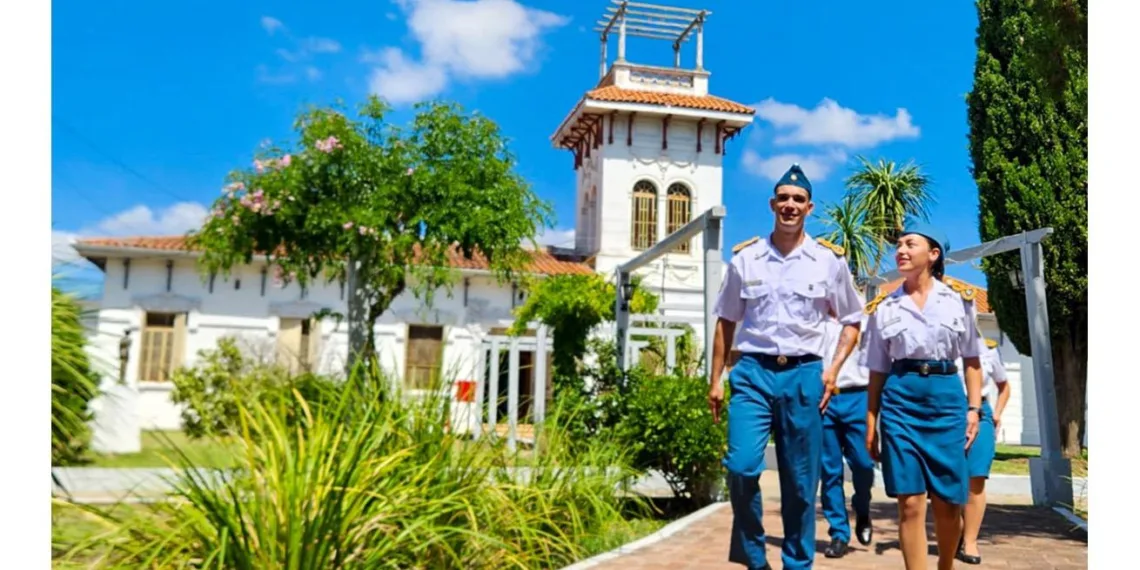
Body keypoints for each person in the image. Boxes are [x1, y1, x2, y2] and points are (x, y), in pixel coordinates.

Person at [709, 163, 864, 570]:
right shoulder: (747, 259)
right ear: (772, 204)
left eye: (798, 200)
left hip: (805, 375)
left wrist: (832, 370)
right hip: (753, 374)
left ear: (809, 207)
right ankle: (755, 557)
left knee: (800, 480)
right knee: (741, 467)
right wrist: (715, 380)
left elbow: (852, 320)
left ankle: (797, 563)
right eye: (783, 198)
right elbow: (725, 321)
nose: (790, 205)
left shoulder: (828, 261)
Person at [863, 223, 984, 570]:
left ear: (933, 255)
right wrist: (871, 422)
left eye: (909, 244)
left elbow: (973, 361)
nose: (900, 250)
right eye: (898, 245)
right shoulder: (884, 308)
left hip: (946, 402)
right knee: (910, 503)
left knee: (948, 501)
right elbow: (877, 372)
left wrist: (973, 409)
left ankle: (945, 565)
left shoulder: (958, 301)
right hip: (900, 401)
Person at [818, 315, 875, 558]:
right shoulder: (814, 318)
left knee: (863, 464)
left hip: (858, 397)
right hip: (823, 400)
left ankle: (862, 508)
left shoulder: (865, 318)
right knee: (829, 470)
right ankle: (839, 533)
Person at [956, 335, 1012, 565]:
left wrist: (997, 413)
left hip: (981, 413)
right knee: (949, 479)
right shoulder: (938, 345)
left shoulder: (988, 348)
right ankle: (955, 532)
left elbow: (1004, 386)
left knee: (976, 478)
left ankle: (970, 541)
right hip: (947, 412)